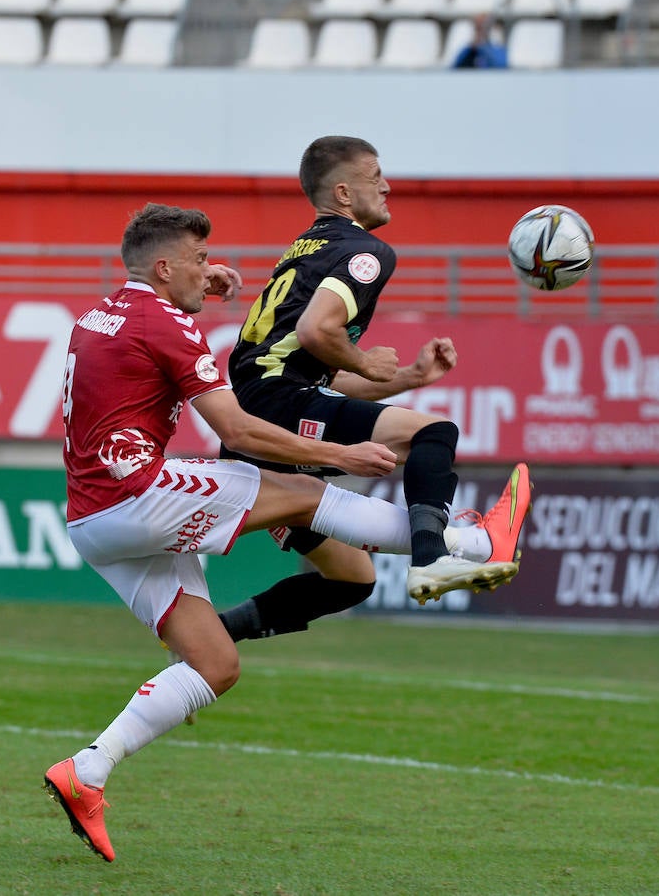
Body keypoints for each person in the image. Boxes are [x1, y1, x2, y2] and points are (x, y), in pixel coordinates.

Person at [43, 203, 520, 863]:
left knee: (215, 663)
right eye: (199, 259)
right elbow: (235, 431)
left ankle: (86, 771)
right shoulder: (166, 325)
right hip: (136, 496)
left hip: (92, 520)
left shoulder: (96, 317)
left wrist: (192, 293)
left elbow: (141, 345)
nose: (211, 269)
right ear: (164, 266)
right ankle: (468, 544)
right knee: (299, 492)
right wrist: (342, 456)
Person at [216, 135, 533, 649]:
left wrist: (406, 377)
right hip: (275, 407)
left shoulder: (306, 249)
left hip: (262, 410)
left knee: (353, 578)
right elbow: (321, 330)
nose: (387, 186)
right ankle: (434, 560)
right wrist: (365, 359)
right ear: (343, 193)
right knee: (433, 432)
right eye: (375, 176)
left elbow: (309, 364)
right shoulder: (365, 251)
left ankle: (211, 634)